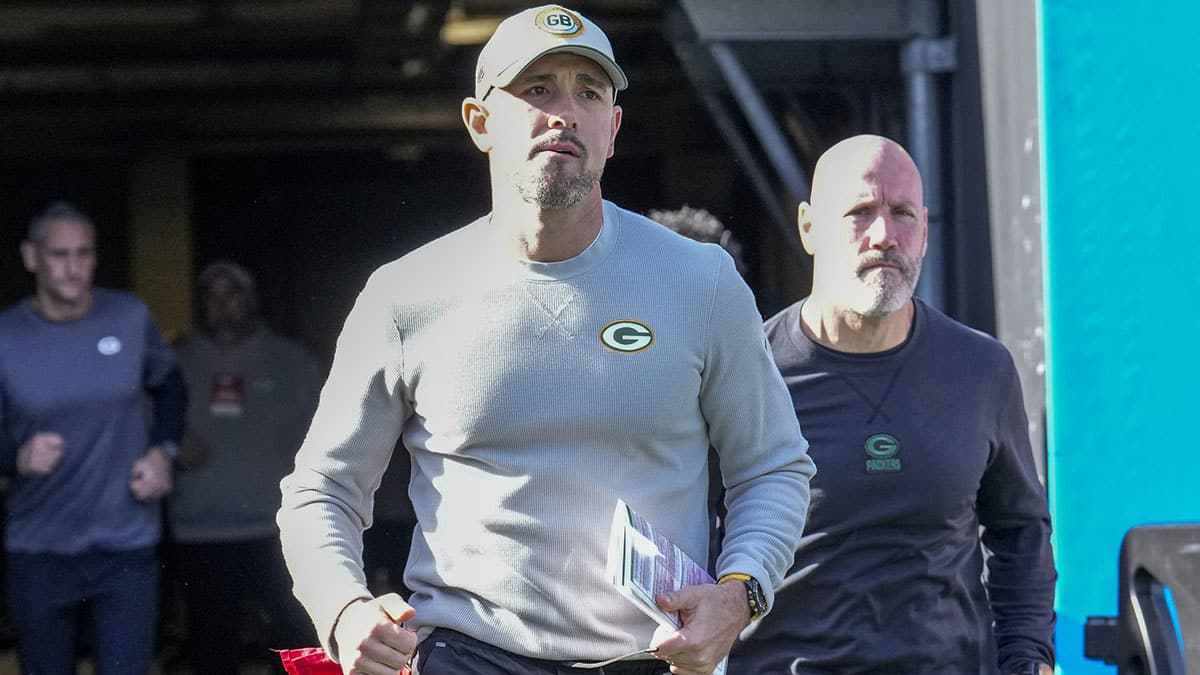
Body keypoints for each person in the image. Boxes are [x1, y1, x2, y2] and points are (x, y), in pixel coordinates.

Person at [277, 5, 815, 675]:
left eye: (589, 93)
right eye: (537, 90)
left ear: (612, 129)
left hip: (652, 660)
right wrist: (343, 609)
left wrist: (739, 596)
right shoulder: (403, 295)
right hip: (465, 655)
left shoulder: (702, 282)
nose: (564, 111)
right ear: (481, 123)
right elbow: (320, 490)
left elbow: (774, 467)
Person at [731, 134, 1056, 674]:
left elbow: (1021, 530)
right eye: (861, 212)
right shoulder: (746, 373)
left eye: (902, 213)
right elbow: (690, 536)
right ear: (809, 228)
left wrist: (1028, 659)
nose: (884, 235)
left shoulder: (981, 370)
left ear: (925, 231)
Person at [0, 201, 186, 674]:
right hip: (40, 547)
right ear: (30, 257)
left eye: (84, 253)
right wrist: (14, 456)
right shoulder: (7, 336)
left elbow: (172, 386)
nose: (73, 267)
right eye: (59, 254)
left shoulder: (128, 317)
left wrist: (164, 452)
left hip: (125, 544)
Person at [168, 260, 321, 674]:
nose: (222, 305)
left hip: (281, 528)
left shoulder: (293, 362)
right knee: (211, 649)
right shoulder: (174, 364)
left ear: (250, 299)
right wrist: (168, 442)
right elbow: (140, 425)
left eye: (231, 293)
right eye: (211, 296)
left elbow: (330, 435)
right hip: (202, 529)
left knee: (297, 643)